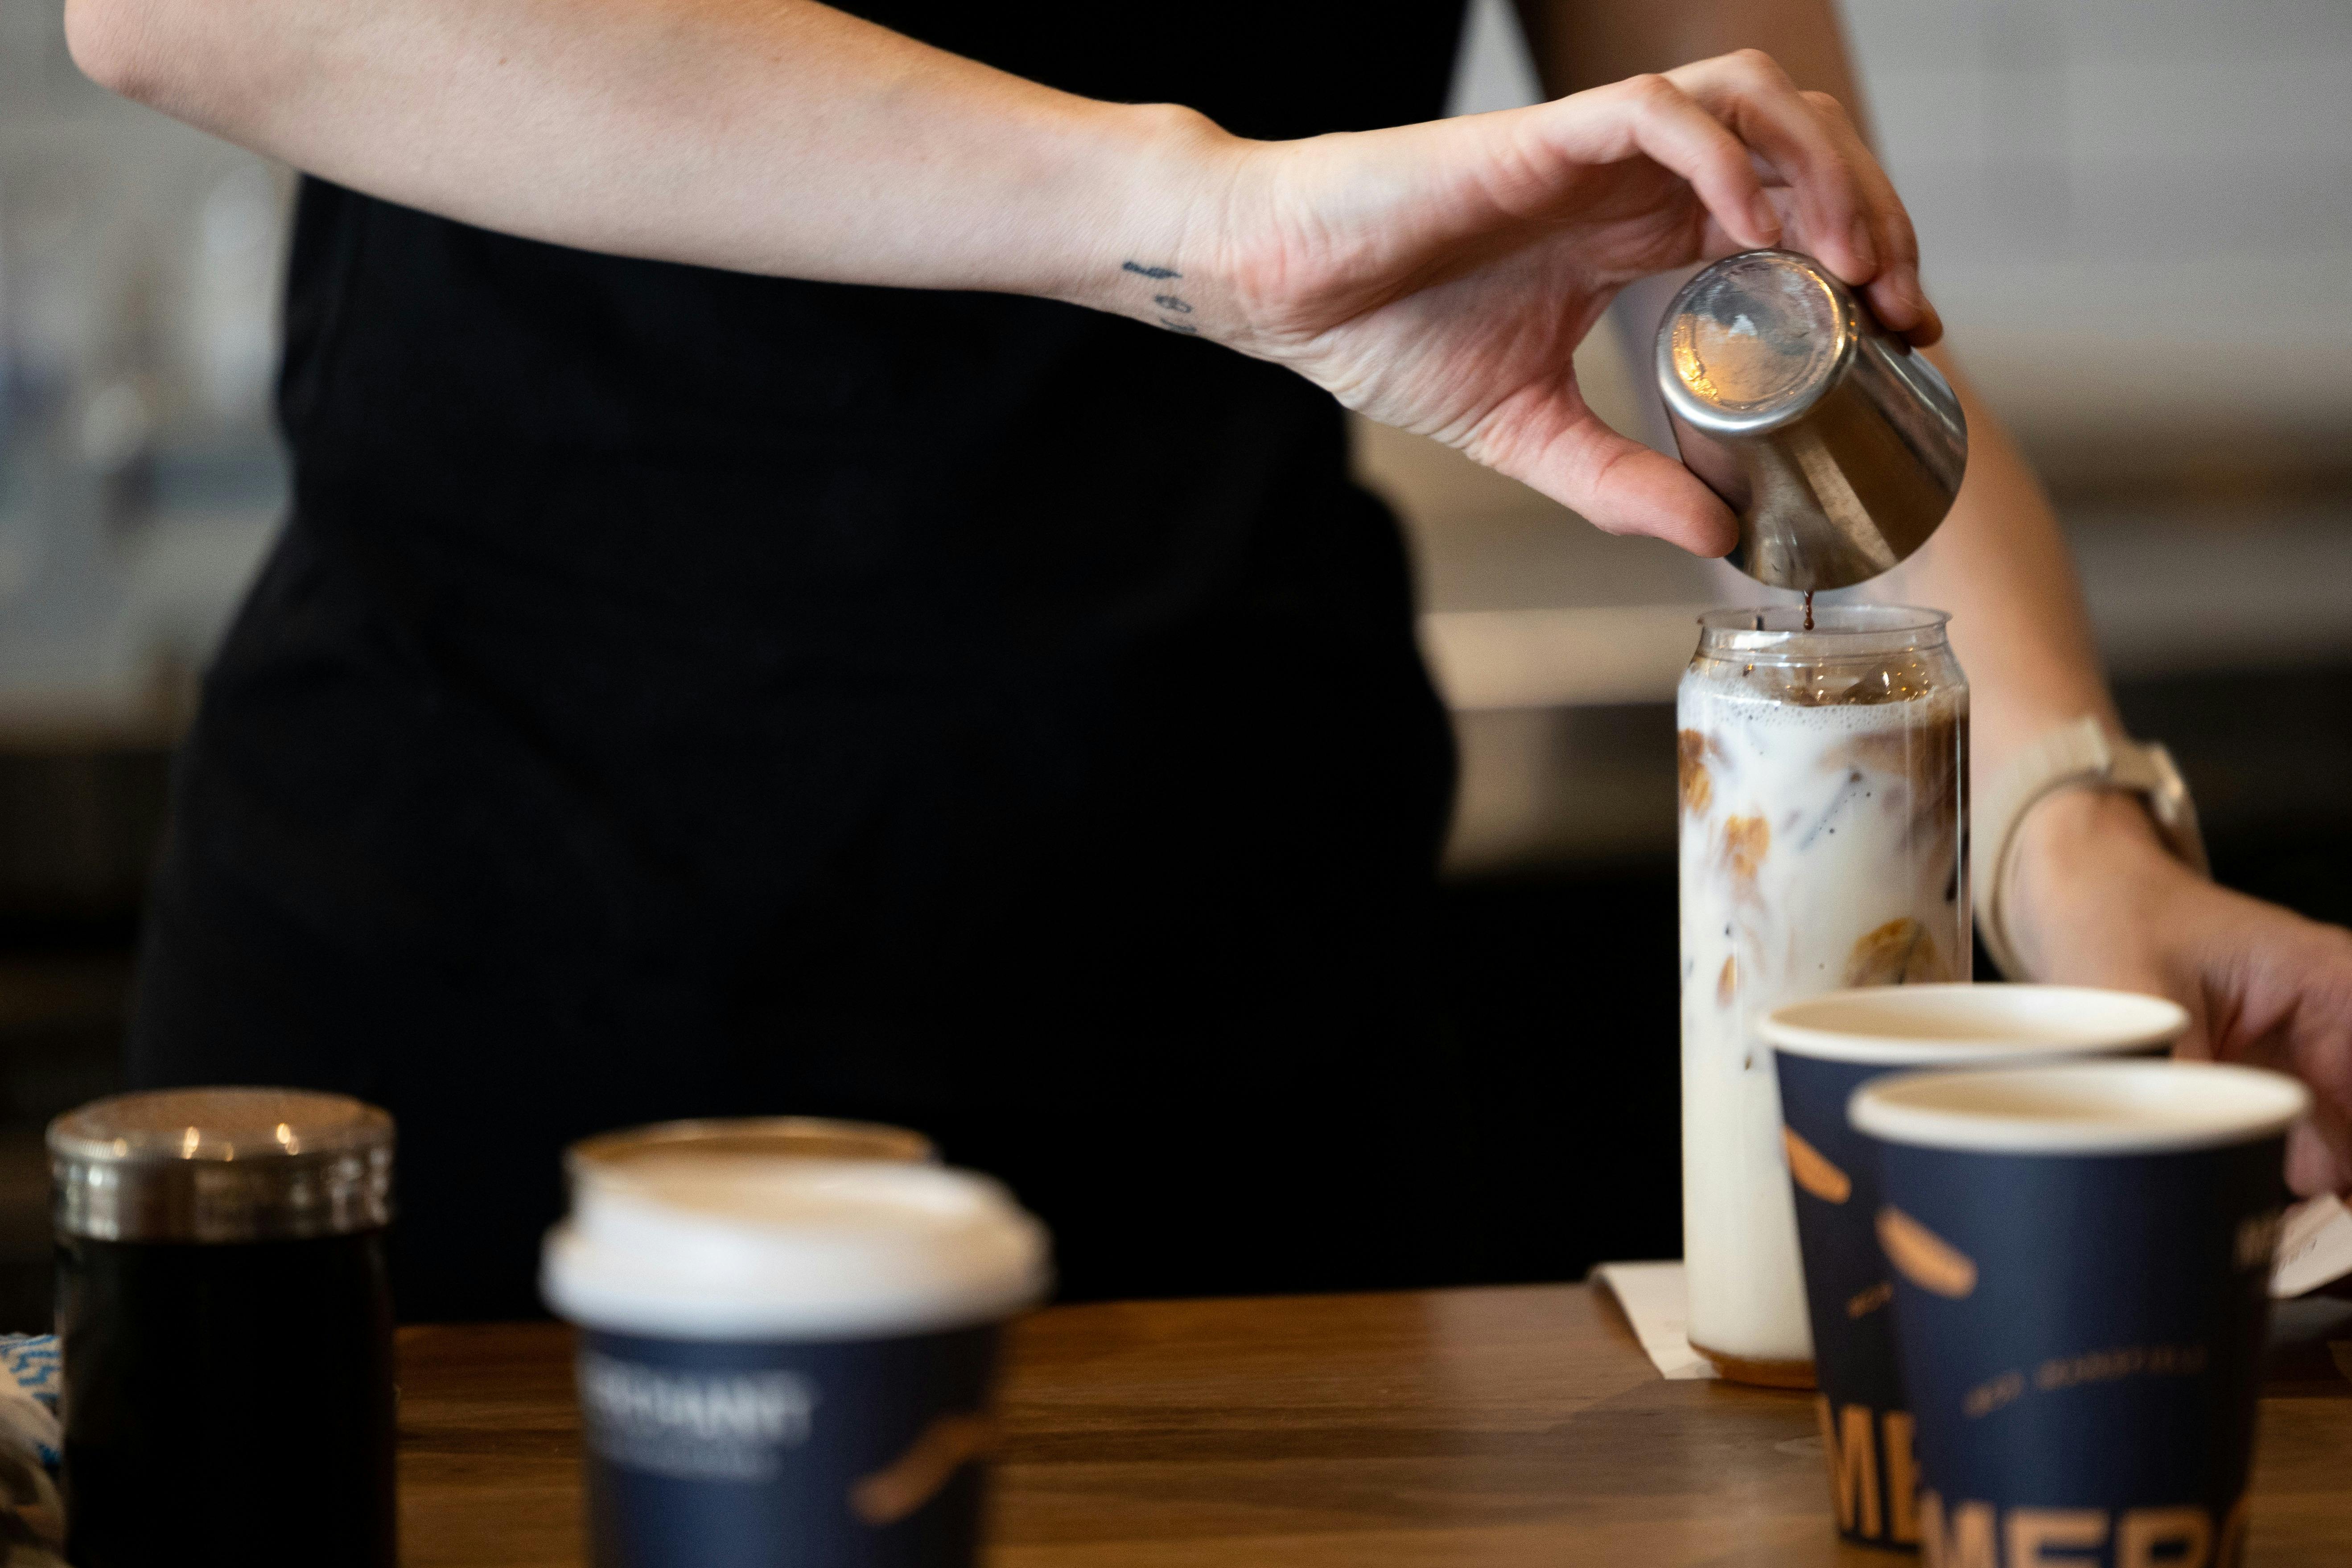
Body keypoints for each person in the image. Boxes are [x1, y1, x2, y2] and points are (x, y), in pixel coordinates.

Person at [66, 0, 2352, 1319]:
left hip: (1225, 1051)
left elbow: (1811, 305)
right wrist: (1199, 226)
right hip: (494, 996)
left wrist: (2069, 839)